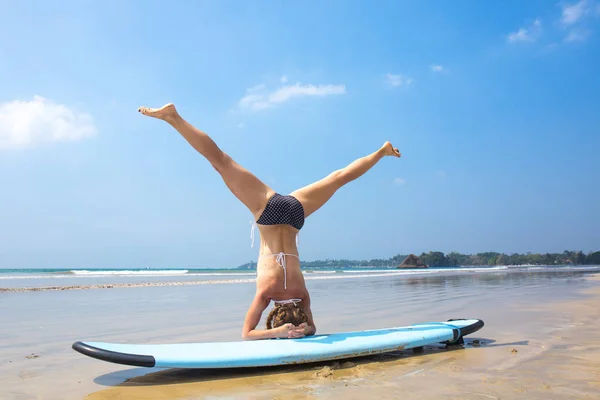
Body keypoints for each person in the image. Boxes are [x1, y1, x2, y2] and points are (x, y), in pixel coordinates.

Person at [138, 103, 401, 340]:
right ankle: (174, 117)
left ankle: (380, 152)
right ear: (274, 312)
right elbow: (248, 334)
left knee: (338, 179)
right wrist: (276, 332)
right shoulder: (266, 295)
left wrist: (301, 329)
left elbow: (313, 328)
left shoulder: (303, 294)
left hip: (293, 215)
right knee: (220, 161)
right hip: (269, 214)